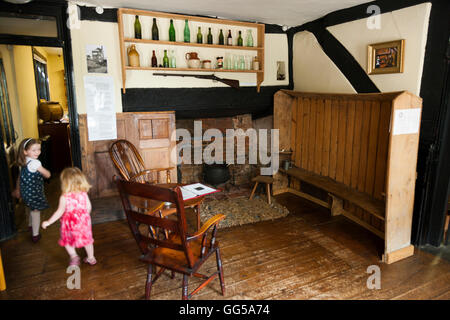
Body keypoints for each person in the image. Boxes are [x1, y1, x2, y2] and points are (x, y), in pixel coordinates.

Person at [42, 167, 96, 266]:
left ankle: (74, 257)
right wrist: (84, 217)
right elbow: (89, 207)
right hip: (83, 223)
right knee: (87, 241)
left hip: (69, 224)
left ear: (65, 183)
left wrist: (49, 222)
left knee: (67, 241)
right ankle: (91, 258)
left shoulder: (64, 197)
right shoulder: (84, 194)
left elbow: (59, 212)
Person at [15, 138, 51, 243]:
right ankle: (35, 234)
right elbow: (47, 174)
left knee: (29, 208)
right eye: (34, 150)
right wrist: (47, 172)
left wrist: (18, 189)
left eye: (39, 149)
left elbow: (19, 177)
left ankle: (30, 226)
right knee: (36, 212)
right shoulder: (35, 163)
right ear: (25, 151)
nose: (37, 152)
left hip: (25, 192)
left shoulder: (24, 160)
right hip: (34, 193)